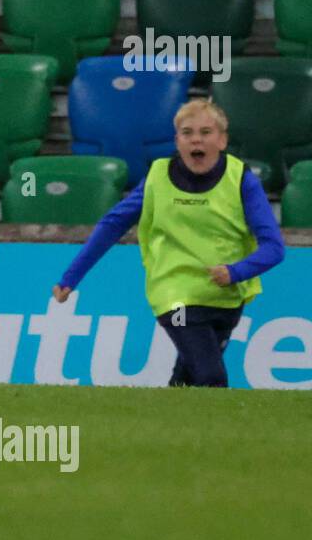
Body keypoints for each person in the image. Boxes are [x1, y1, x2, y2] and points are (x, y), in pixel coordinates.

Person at [53, 99, 285, 387]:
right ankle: (221, 431)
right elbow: (113, 224)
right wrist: (72, 276)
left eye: (205, 132)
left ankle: (167, 428)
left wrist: (235, 272)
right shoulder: (157, 177)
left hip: (226, 296)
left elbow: (274, 248)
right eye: (187, 133)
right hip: (174, 295)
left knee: (187, 380)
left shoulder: (242, 180)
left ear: (222, 140)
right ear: (177, 141)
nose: (196, 139)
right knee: (211, 377)